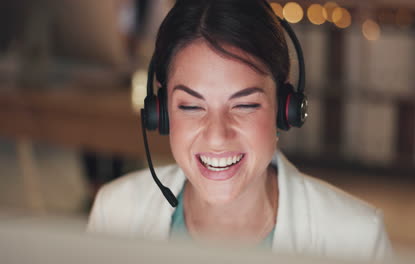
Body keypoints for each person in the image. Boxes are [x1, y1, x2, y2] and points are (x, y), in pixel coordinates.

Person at [87, 0, 392, 261]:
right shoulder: (115, 212)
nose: (218, 135)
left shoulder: (357, 239)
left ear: (285, 108)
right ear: (161, 112)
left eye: (244, 105)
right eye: (191, 107)